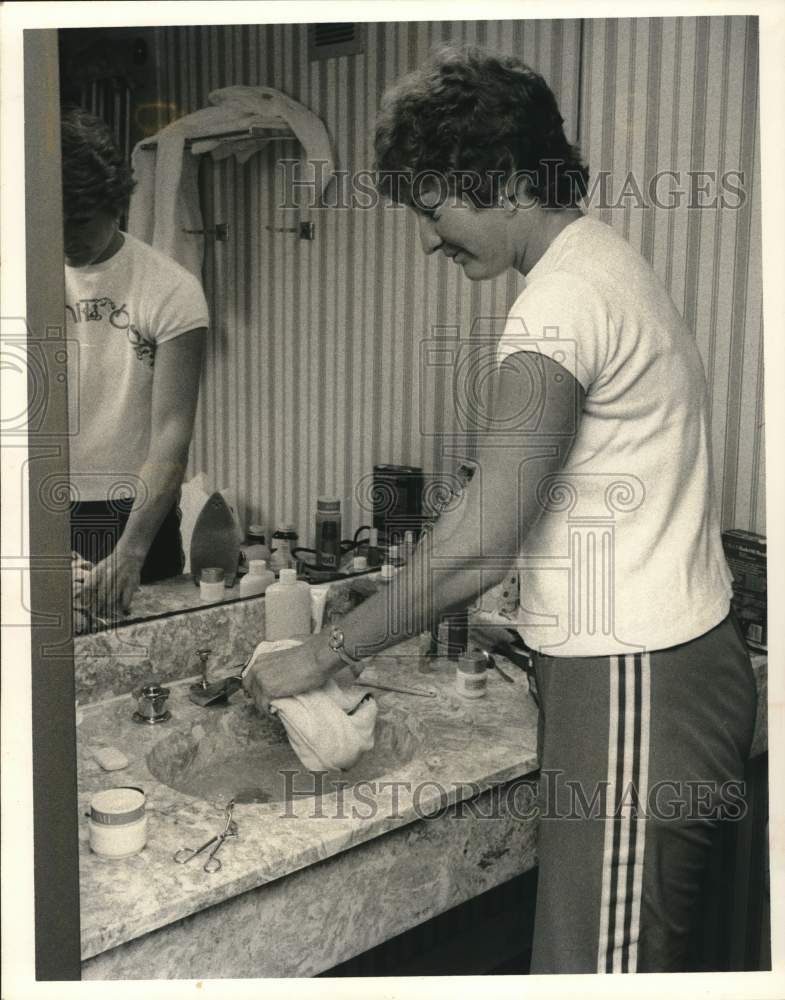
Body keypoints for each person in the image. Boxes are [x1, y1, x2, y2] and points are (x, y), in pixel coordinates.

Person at [242, 46, 757, 973]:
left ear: (507, 181)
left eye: (435, 210)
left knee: (598, 974)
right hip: (648, 671)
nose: (429, 240)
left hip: (637, 677)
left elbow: (479, 545)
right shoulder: (598, 263)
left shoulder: (558, 301)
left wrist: (319, 654)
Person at [61, 106, 209, 621]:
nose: (64, 240)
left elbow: (173, 429)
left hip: (139, 514)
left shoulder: (171, 288)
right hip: (42, 506)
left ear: (112, 202)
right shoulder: (17, 280)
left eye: (77, 222)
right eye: (50, 223)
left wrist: (130, 550)